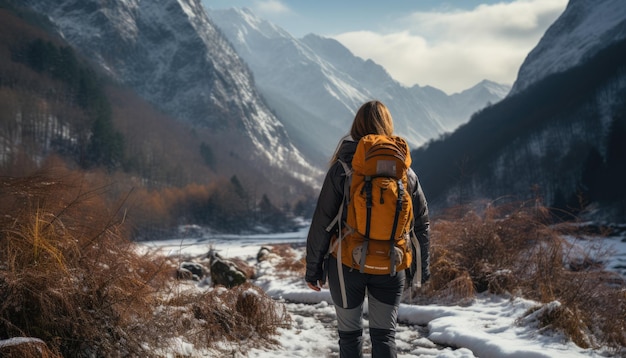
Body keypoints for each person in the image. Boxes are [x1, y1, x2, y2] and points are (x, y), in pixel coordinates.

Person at [305, 100, 430, 358]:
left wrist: (313, 269)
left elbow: (323, 222)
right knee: (384, 337)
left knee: (350, 338)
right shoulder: (405, 172)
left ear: (356, 126)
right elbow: (421, 224)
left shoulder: (343, 168)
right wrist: (420, 270)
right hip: (392, 264)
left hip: (345, 265)